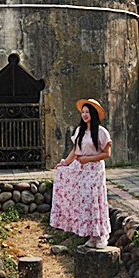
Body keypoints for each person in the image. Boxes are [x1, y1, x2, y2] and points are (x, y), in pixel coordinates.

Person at [49, 98, 112, 248]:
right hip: (82, 169)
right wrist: (65, 163)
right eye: (83, 112)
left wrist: (89, 159)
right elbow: (75, 151)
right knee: (84, 200)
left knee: (94, 199)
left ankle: (101, 234)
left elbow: (107, 154)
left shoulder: (101, 132)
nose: (84, 115)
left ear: (93, 114)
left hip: (95, 169)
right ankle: (91, 234)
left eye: (87, 112)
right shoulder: (79, 131)